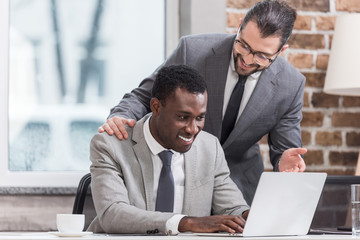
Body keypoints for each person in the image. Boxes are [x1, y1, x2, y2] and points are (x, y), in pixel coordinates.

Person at [99, 0, 307, 204]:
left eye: (261, 56)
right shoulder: (194, 50)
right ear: (240, 25)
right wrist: (122, 116)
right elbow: (144, 96)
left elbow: (285, 151)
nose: (248, 59)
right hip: (183, 174)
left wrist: (284, 162)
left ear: (281, 51)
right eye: (243, 45)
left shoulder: (291, 85)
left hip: (240, 185)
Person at [88, 65, 250, 235]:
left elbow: (232, 208)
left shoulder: (209, 147)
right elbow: (112, 214)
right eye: (182, 117)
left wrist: (250, 215)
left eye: (200, 118)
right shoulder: (110, 145)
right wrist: (185, 222)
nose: (192, 129)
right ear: (156, 107)